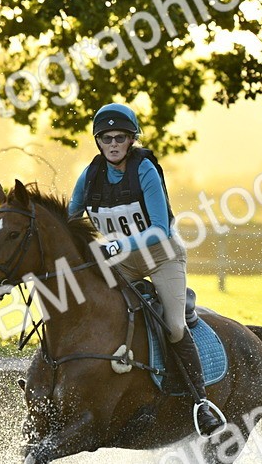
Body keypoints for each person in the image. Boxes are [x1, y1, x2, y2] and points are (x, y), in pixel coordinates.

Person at [68, 102, 226, 436]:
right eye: (106, 137)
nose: (113, 144)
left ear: (131, 140)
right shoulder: (90, 176)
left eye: (120, 137)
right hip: (123, 262)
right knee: (90, 308)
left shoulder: (144, 171)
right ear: (98, 141)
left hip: (162, 256)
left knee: (173, 324)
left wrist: (115, 245)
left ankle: (201, 403)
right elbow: (71, 220)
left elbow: (159, 229)